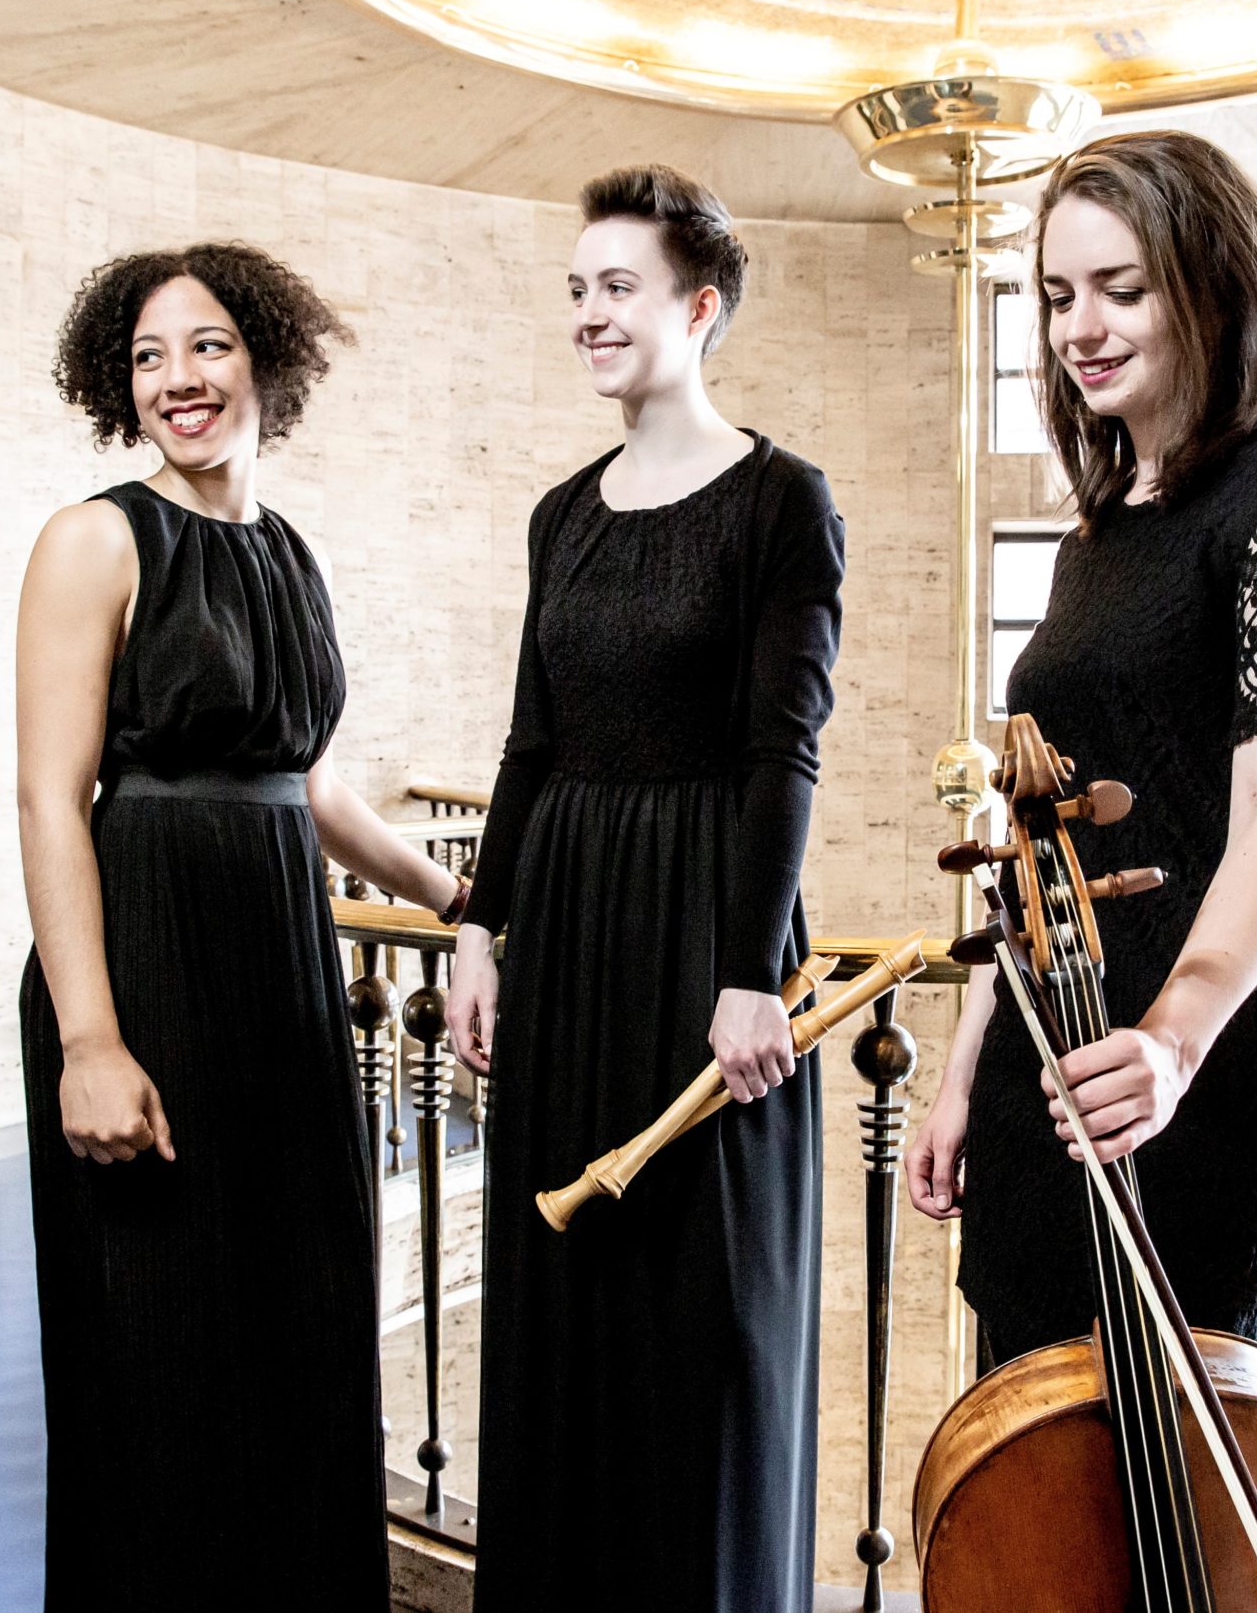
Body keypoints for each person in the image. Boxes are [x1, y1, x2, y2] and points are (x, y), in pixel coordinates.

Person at [15, 242, 462, 1608]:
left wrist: (455, 894)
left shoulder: (288, 552)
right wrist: (89, 1039)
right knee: (162, 1358)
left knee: (300, 1341)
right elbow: (48, 795)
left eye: (206, 344)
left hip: (280, 981)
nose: (179, 378)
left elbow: (306, 781)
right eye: (147, 356)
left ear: (268, 358)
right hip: (145, 967)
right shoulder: (95, 538)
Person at [906, 132, 1257, 1367]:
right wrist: (964, 1062)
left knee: (1163, 1425)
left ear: (1210, 286)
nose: (1081, 328)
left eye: (1121, 288)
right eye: (1059, 294)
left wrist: (1173, 1037)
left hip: (1196, 1059)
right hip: (1049, 1045)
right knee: (1024, 1404)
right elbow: (1033, 846)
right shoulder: (1098, 530)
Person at [447, 165, 845, 1613]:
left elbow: (781, 752)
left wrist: (749, 972)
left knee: (708, 1331)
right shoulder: (561, 514)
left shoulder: (783, 499)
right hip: (564, 938)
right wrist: (479, 928)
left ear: (699, 306)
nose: (589, 314)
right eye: (577, 289)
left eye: (618, 286)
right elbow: (529, 744)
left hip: (705, 950)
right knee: (567, 1320)